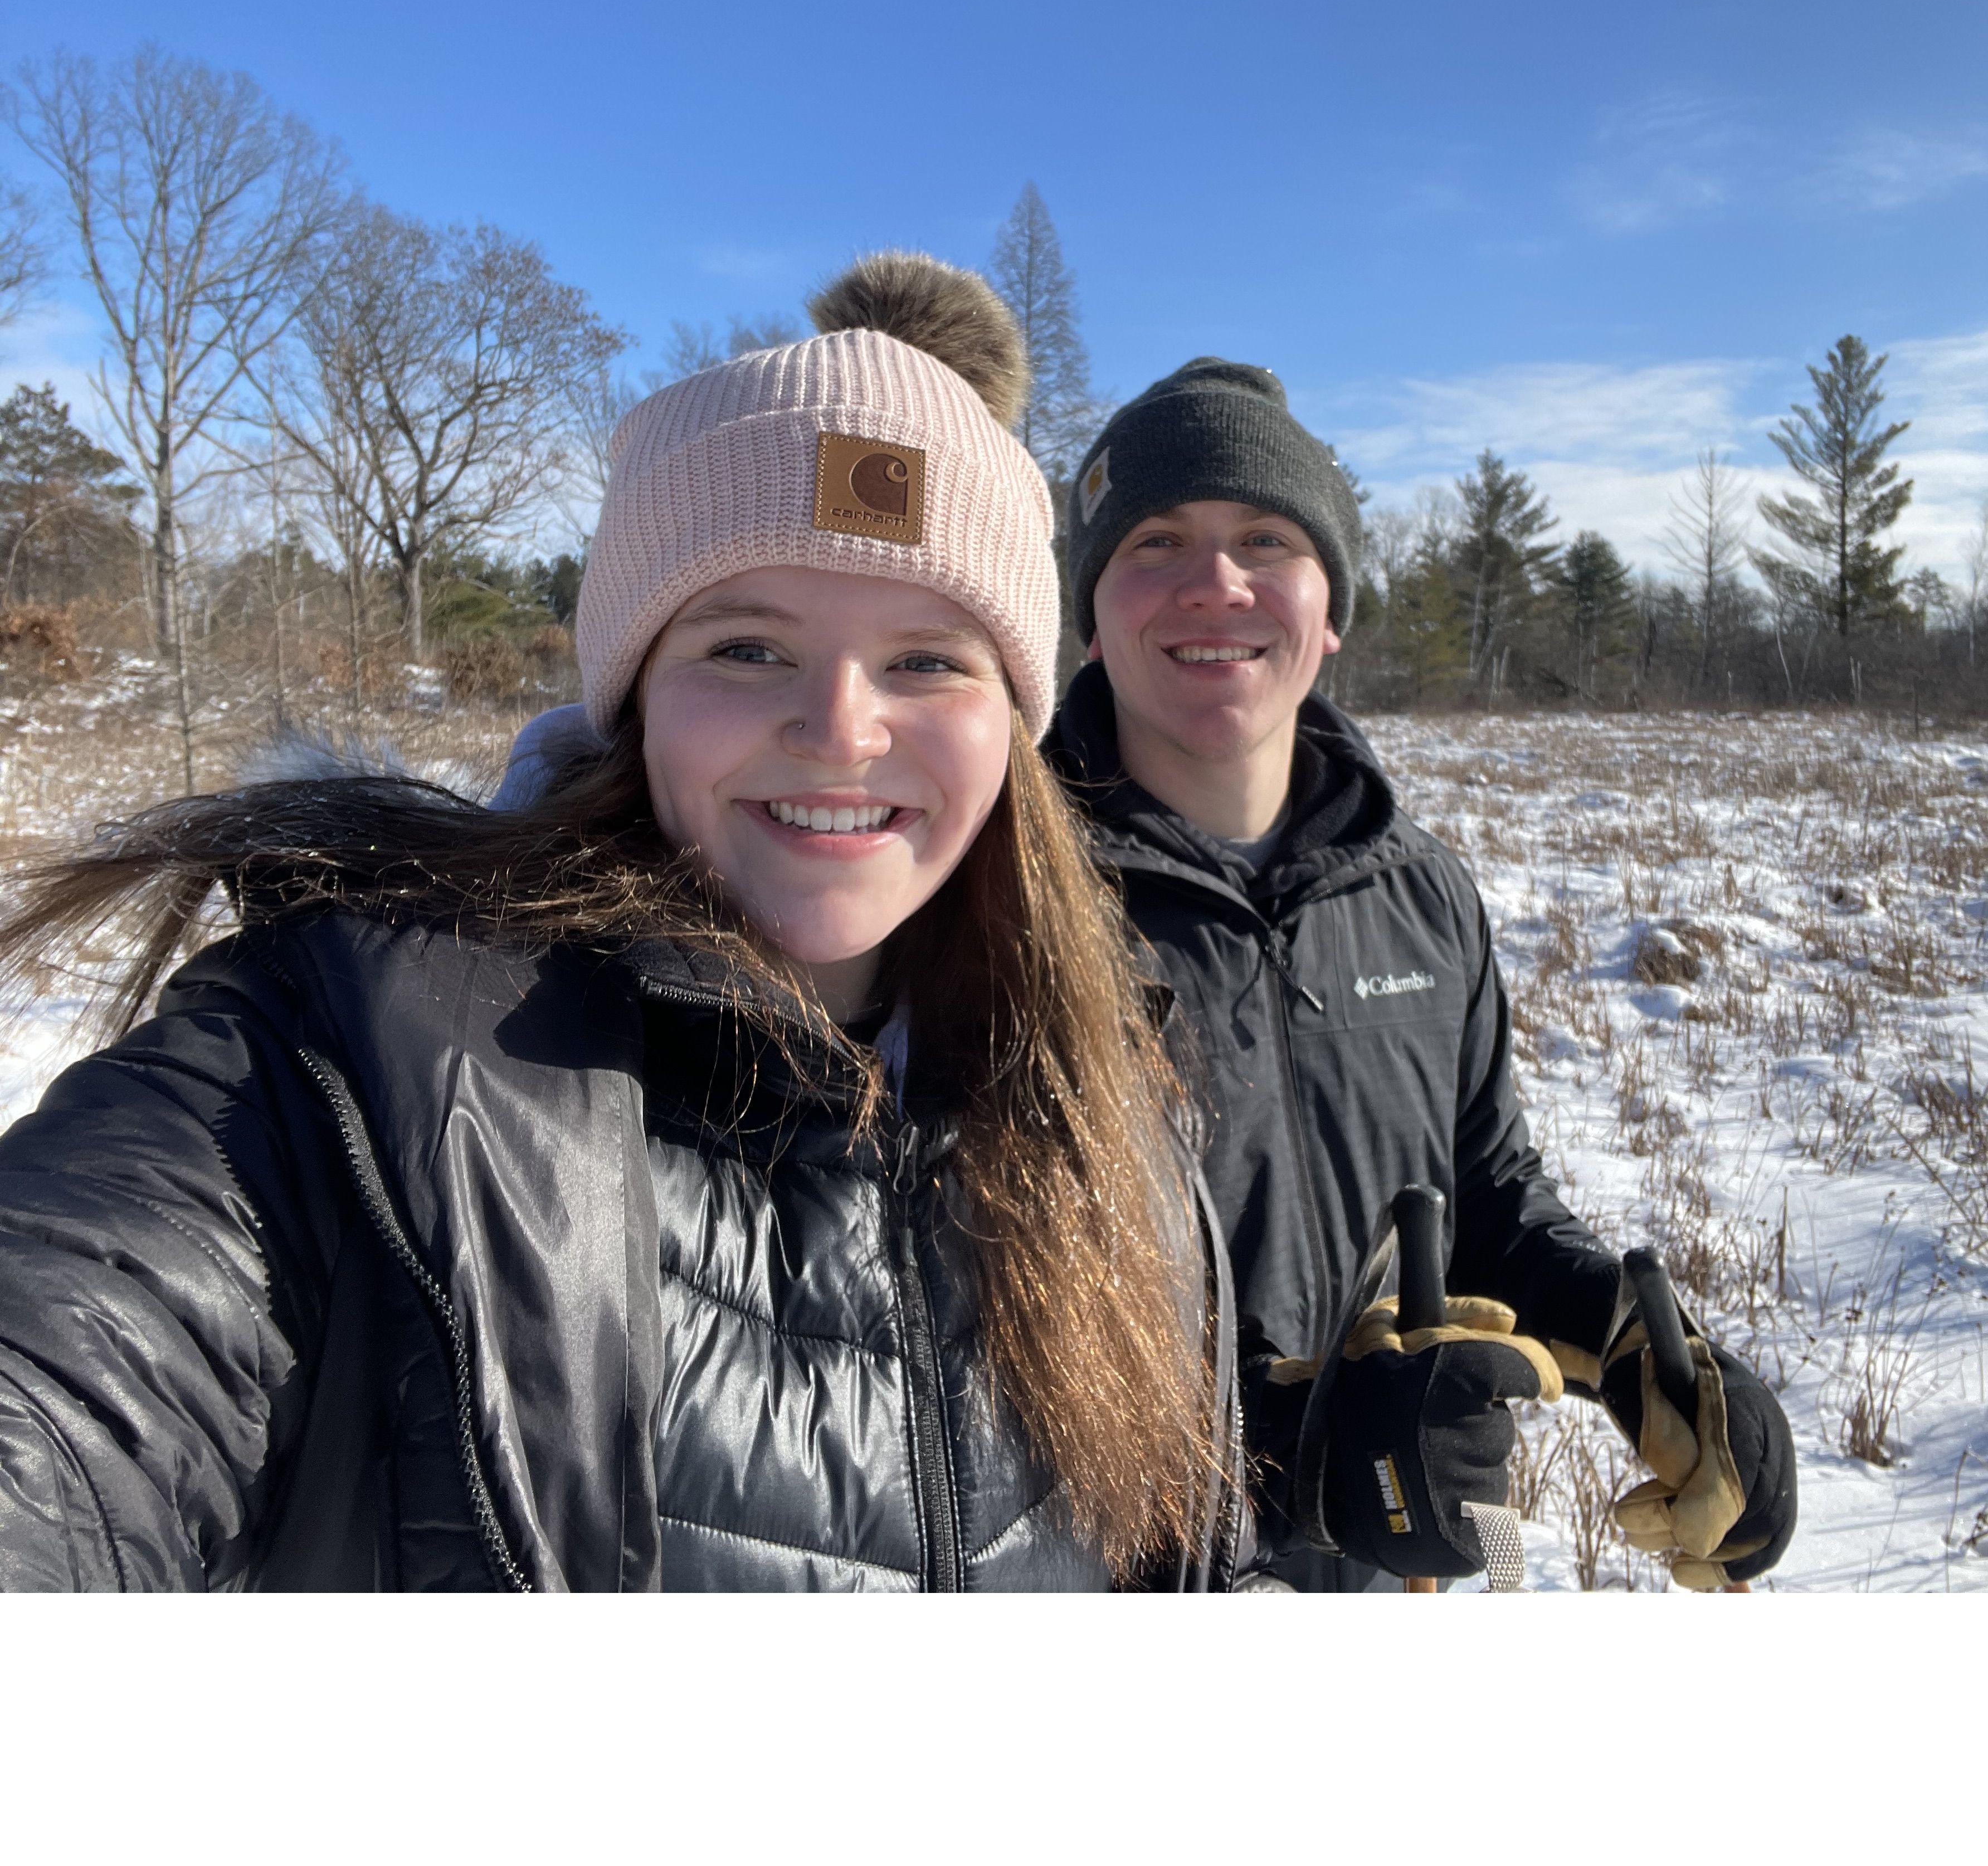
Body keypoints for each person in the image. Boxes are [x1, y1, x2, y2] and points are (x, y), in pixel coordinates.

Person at [0, 255, 1241, 1593]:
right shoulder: (357, 1064)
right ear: (636, 689)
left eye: (928, 659)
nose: (840, 728)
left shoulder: (1094, 1091)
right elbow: (76, 1378)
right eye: (747, 648)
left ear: (1016, 714)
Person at [1046, 358, 1796, 1591]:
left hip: (1384, 1578)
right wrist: (1291, 1456)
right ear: (1090, 610)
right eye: (1155, 542)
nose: (1214, 582)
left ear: (1329, 607)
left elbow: (1486, 1195)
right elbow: (938, 1311)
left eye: (1267, 539)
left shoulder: (1419, 891)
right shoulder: (1002, 892)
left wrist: (1632, 1347)